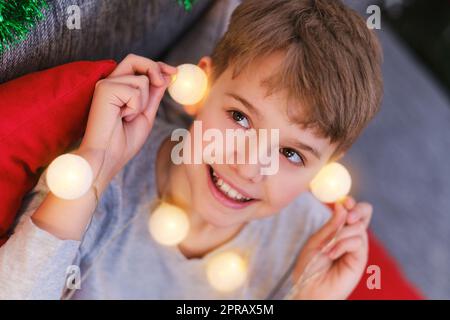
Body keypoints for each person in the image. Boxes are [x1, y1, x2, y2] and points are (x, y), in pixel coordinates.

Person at [0, 0, 382, 299]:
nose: (250, 168)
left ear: (327, 170)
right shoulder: (94, 180)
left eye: (292, 154)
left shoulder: (309, 247)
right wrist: (96, 169)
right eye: (241, 118)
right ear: (201, 86)